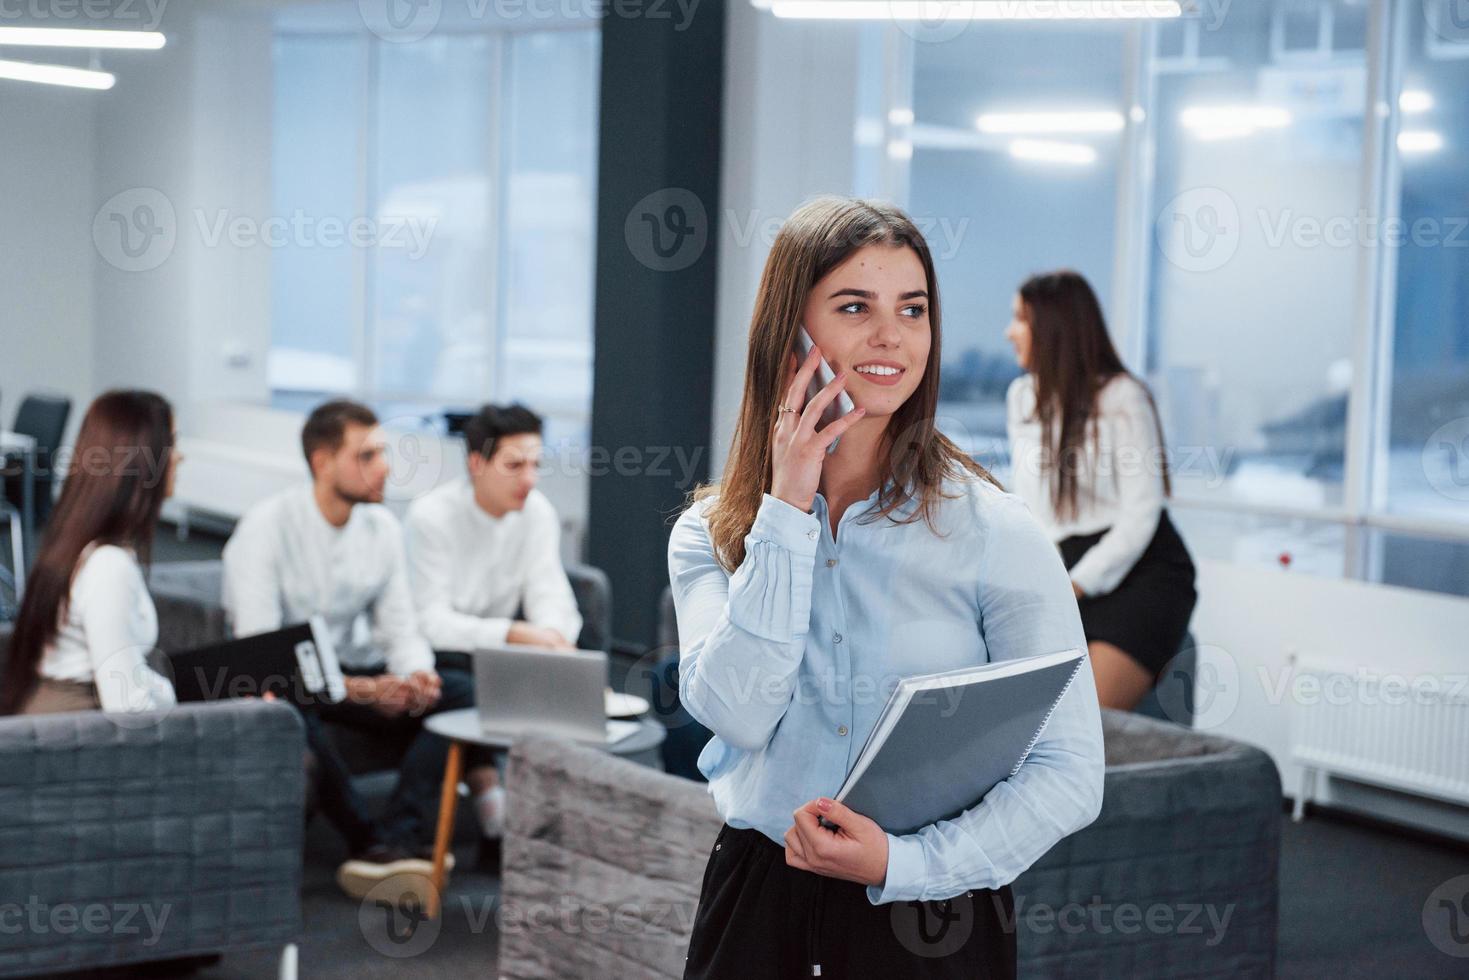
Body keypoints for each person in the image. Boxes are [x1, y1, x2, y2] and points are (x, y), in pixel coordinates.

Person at [668, 197, 1105, 980]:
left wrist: (902, 865)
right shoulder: (710, 533)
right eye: (852, 307)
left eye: (912, 310)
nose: (890, 337)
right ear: (788, 332)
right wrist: (786, 512)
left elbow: (1069, 775)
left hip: (928, 911)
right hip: (757, 900)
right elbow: (736, 710)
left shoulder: (994, 532)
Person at [221, 399, 474, 898]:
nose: (385, 468)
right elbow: (261, 656)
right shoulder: (266, 528)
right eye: (367, 456)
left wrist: (416, 675)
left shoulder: (381, 529)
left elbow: (399, 628)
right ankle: (369, 840)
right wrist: (361, 690)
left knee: (460, 690)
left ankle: (398, 836)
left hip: (351, 670)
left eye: (383, 453)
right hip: (281, 682)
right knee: (291, 704)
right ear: (322, 462)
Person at [1004, 270, 1198, 710]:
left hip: (1141, 573)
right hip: (1064, 570)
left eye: (1020, 318)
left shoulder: (1121, 397)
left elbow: (1141, 515)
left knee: (1080, 724)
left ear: (1054, 327)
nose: (1008, 331)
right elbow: (1034, 509)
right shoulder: (1021, 397)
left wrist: (1077, 584)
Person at [405, 402, 583, 866]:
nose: (529, 479)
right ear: (476, 464)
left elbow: (550, 593)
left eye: (536, 465)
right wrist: (518, 634)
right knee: (466, 685)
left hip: (498, 653)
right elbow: (431, 622)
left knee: (567, 673)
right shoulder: (431, 517)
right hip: (440, 653)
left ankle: (540, 827)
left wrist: (554, 637)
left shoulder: (536, 513)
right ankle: (414, 828)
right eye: (514, 465)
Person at [1, 390, 179, 716]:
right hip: (78, 745)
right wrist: (177, 693)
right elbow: (128, 706)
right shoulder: (109, 567)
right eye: (173, 443)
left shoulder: (80, 547)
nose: (181, 457)